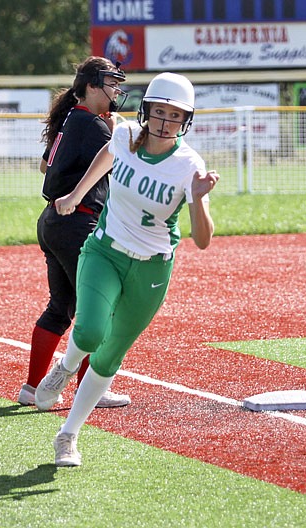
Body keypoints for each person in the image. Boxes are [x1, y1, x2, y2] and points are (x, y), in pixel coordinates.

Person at [35, 72, 219, 466]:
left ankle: (67, 434)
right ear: (147, 110)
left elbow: (202, 240)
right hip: (105, 251)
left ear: (185, 120)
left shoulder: (188, 163)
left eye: (175, 115)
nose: (165, 121)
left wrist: (200, 200)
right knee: (89, 330)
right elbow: (108, 156)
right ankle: (64, 369)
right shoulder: (122, 136)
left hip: (152, 268)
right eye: (159, 111)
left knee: (107, 359)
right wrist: (76, 194)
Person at [17, 56, 132, 409]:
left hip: (52, 220)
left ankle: (33, 388)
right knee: (94, 310)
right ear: (93, 85)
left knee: (60, 308)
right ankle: (89, 389)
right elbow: (124, 160)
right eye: (111, 82)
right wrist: (118, 130)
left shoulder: (72, 119)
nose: (117, 89)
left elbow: (44, 165)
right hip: (77, 222)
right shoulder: (93, 124)